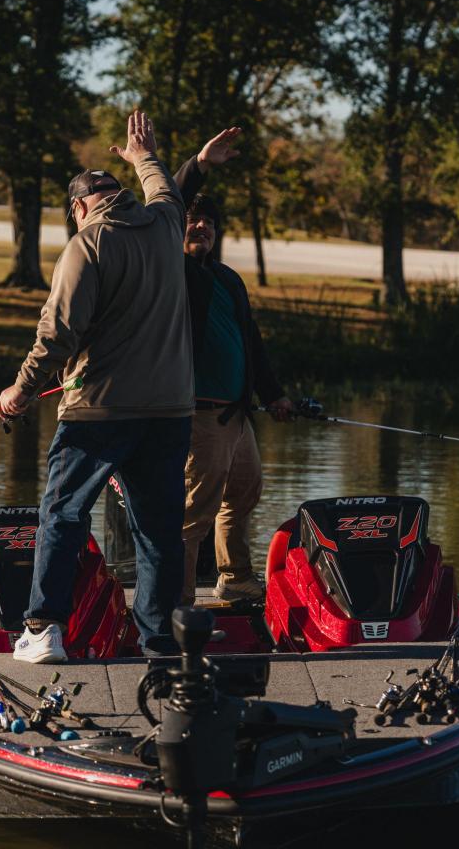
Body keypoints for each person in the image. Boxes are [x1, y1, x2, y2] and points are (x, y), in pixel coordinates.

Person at [0, 110, 192, 663]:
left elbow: (57, 333)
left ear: (79, 208)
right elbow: (164, 189)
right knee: (158, 530)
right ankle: (159, 641)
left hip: (99, 413)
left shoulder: (88, 245)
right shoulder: (167, 224)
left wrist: (19, 391)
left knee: (62, 513)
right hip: (171, 411)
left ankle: (43, 630)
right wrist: (144, 156)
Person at [170, 130, 294, 604]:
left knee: (241, 495)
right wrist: (198, 162)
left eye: (206, 222)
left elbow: (252, 345)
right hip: (198, 415)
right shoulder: (171, 273)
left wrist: (274, 395)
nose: (198, 227)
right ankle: (176, 606)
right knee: (192, 516)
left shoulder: (228, 279)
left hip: (238, 417)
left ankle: (234, 579)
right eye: (190, 220)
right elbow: (163, 208)